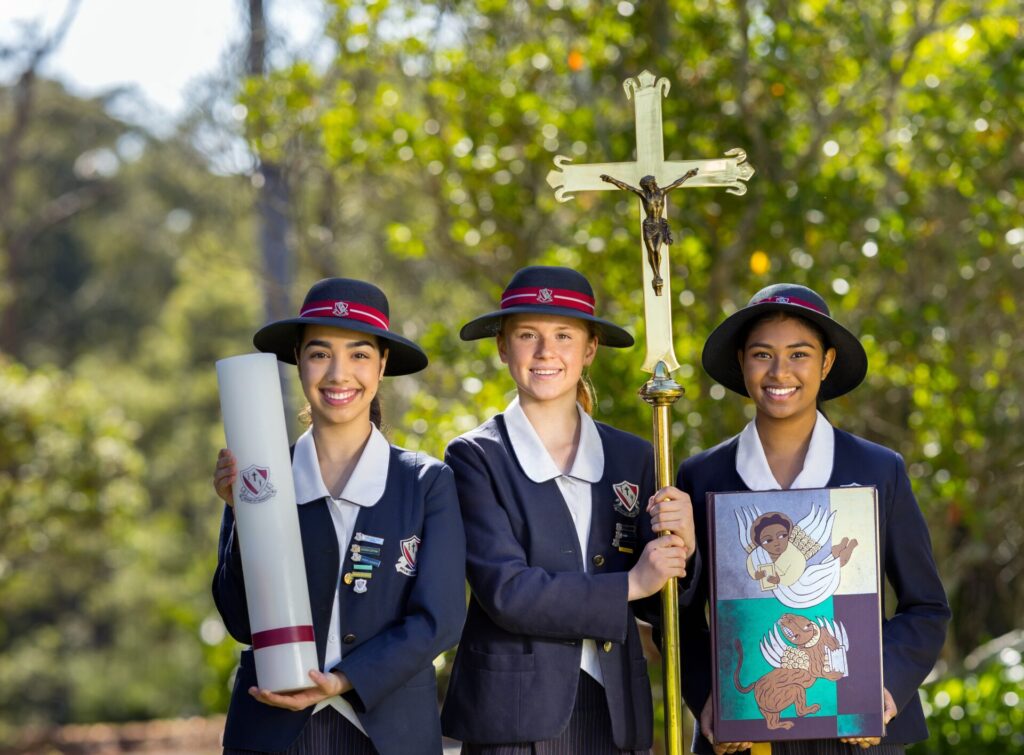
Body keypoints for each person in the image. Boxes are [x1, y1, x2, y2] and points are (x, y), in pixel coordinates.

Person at [674, 283, 950, 754]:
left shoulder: (878, 470)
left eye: (799, 354)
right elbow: (677, 616)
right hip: (747, 732)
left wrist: (884, 687)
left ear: (826, 363)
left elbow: (926, 607)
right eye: (762, 354)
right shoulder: (701, 477)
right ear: (741, 361)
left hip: (860, 734)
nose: (780, 371)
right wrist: (708, 694)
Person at [440, 265, 699, 754]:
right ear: (502, 347)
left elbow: (661, 601)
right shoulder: (475, 457)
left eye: (564, 335)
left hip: (615, 708)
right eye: (527, 335)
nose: (546, 351)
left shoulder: (634, 456)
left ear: (590, 349)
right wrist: (630, 583)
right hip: (513, 712)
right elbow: (507, 592)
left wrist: (683, 545)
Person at [212, 278, 467, 755]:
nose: (338, 373)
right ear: (298, 359)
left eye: (359, 354)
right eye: (320, 353)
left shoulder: (425, 482)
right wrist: (243, 515)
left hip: (391, 733)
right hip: (271, 728)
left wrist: (346, 678)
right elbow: (240, 622)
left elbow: (440, 619)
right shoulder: (259, 473)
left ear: (382, 364)